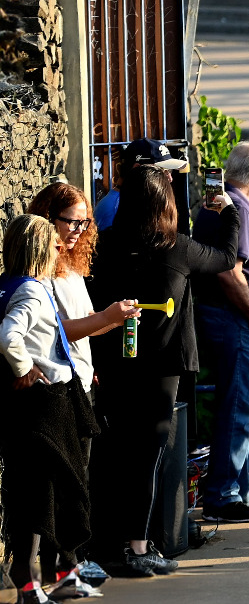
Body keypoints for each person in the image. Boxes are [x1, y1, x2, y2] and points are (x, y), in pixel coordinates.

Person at [88, 168, 237, 575]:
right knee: (147, 455)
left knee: (114, 452)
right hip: (162, 369)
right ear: (164, 204)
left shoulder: (104, 248)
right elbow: (226, 257)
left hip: (113, 363)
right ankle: (137, 546)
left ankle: (107, 544)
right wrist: (229, 213)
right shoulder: (178, 249)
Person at [23, 184, 135, 598]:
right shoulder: (39, 271)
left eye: (84, 222)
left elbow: (82, 324)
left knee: (76, 483)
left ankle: (63, 573)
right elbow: (60, 331)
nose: (77, 230)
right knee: (59, 485)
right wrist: (104, 318)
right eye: (70, 221)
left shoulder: (71, 264)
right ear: (46, 219)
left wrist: (111, 320)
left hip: (80, 382)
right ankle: (50, 575)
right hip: (57, 390)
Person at [1, 216, 100, 604]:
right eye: (55, 244)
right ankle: (32, 583)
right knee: (46, 494)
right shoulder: (31, 291)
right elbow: (9, 335)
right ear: (41, 250)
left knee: (33, 492)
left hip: (30, 407)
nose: (62, 248)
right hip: (45, 405)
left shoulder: (7, 284)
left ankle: (44, 579)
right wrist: (24, 369)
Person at [193, 142, 249, 523]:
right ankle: (224, 494)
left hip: (232, 318)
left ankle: (240, 490)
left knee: (242, 407)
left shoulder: (224, 203)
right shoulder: (236, 209)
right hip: (239, 319)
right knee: (240, 407)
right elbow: (230, 272)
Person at [92, 137, 188, 234]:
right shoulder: (114, 208)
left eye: (170, 171)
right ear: (136, 169)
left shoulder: (133, 201)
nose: (170, 178)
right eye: (162, 171)